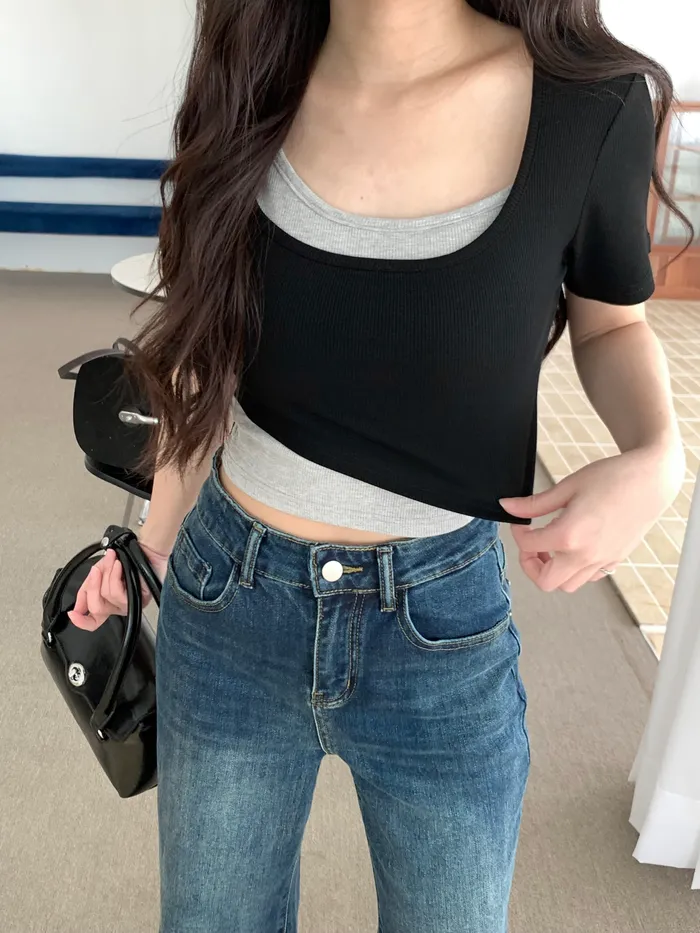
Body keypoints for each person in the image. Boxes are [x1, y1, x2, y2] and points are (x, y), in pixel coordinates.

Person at [69, 1, 691, 930]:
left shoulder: (590, 105)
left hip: (440, 628)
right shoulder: (249, 76)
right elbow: (206, 352)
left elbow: (611, 322)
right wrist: (152, 543)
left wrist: (658, 455)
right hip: (229, 602)